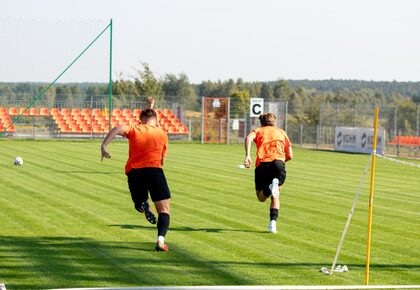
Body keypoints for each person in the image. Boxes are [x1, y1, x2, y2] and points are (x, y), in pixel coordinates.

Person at [101, 106, 171, 252]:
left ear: (143, 120)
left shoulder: (135, 129)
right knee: (164, 210)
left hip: (134, 172)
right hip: (154, 170)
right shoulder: (162, 134)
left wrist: (104, 145)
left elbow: (118, 128)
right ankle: (160, 240)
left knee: (139, 203)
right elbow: (163, 159)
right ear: (156, 120)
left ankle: (143, 204)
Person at [244, 113, 293, 234]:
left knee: (261, 197)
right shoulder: (281, 132)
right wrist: (280, 161)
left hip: (263, 164)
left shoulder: (259, 130)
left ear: (262, 122)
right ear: (274, 122)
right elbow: (290, 155)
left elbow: (248, 138)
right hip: (278, 164)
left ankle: (269, 188)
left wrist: (248, 156)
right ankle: (273, 225)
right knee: (275, 196)